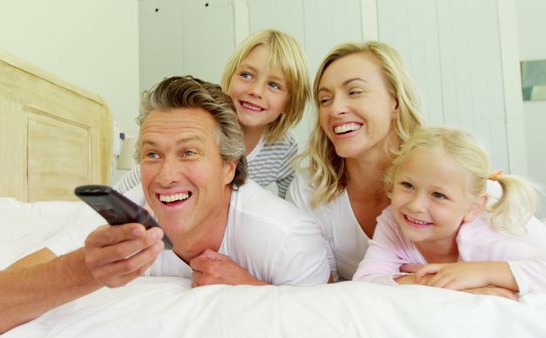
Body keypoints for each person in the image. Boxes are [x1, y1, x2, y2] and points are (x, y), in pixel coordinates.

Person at [0, 76, 330, 336]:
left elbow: (330, 322)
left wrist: (255, 290)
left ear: (229, 167)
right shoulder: (121, 220)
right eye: (152, 154)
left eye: (189, 152)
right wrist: (85, 268)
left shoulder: (285, 238)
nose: (165, 177)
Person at [352, 127, 546, 299]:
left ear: (473, 208)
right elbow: (365, 282)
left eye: (438, 195)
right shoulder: (392, 222)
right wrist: (443, 284)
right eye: (407, 185)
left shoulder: (480, 239)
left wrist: (481, 273)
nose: (416, 205)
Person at [116, 29, 311, 198]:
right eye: (246, 75)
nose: (256, 91)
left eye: (274, 85)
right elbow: (132, 184)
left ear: (289, 102)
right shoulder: (202, 126)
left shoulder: (284, 147)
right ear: (230, 77)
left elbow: (293, 204)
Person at [287, 41, 423, 281]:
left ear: (396, 102)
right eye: (325, 99)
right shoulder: (308, 190)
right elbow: (315, 290)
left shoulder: (446, 170)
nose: (335, 109)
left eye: (355, 92)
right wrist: (413, 282)